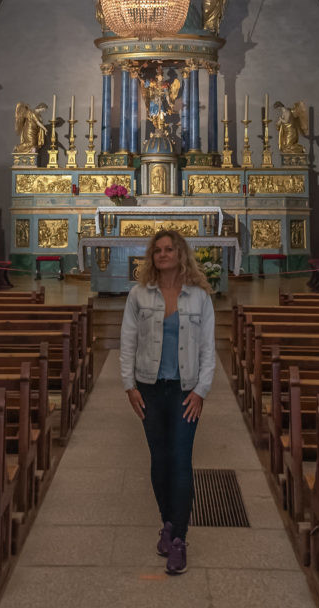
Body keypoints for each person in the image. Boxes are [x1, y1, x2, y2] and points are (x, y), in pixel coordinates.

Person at [120, 229, 215, 575]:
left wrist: (201, 390)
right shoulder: (138, 295)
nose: (163, 254)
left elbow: (208, 347)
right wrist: (129, 386)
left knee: (180, 460)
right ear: (152, 256)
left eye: (169, 249)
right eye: (157, 250)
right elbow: (127, 341)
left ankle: (179, 539)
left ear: (181, 254)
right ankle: (168, 523)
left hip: (184, 390)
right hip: (149, 389)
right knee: (159, 460)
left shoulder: (199, 298)